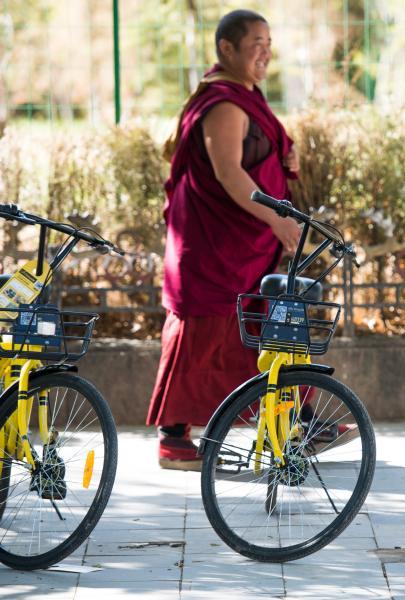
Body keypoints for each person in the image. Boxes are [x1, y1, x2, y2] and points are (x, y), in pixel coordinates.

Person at [146, 9, 302, 470]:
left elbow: (254, 154)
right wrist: (277, 218)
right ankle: (174, 437)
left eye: (269, 43)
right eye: (256, 43)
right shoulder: (224, 105)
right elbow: (230, 174)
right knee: (204, 333)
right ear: (227, 48)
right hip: (214, 245)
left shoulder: (245, 95)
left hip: (239, 243)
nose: (265, 52)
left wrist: (284, 154)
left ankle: (297, 420)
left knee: (255, 327)